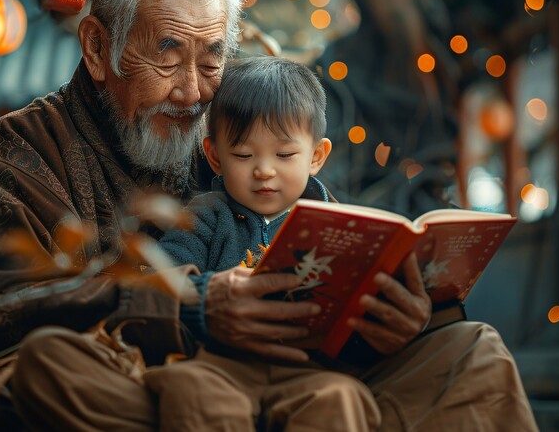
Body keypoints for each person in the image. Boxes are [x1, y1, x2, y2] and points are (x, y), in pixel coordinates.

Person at [0, 0, 538, 430]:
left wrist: (405, 319)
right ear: (99, 48)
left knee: (473, 351)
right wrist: (189, 308)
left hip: (306, 383)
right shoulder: (19, 149)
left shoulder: (229, 133)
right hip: (157, 398)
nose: (193, 91)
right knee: (51, 367)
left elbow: (315, 237)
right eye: (169, 57)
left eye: (211, 60)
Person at [146, 55, 382, 431]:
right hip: (220, 365)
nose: (264, 170)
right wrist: (200, 295)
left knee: (341, 397)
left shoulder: (338, 225)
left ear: (316, 156)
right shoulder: (205, 215)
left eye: (285, 155)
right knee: (189, 387)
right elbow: (162, 278)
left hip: (306, 369)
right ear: (215, 157)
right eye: (242, 155)